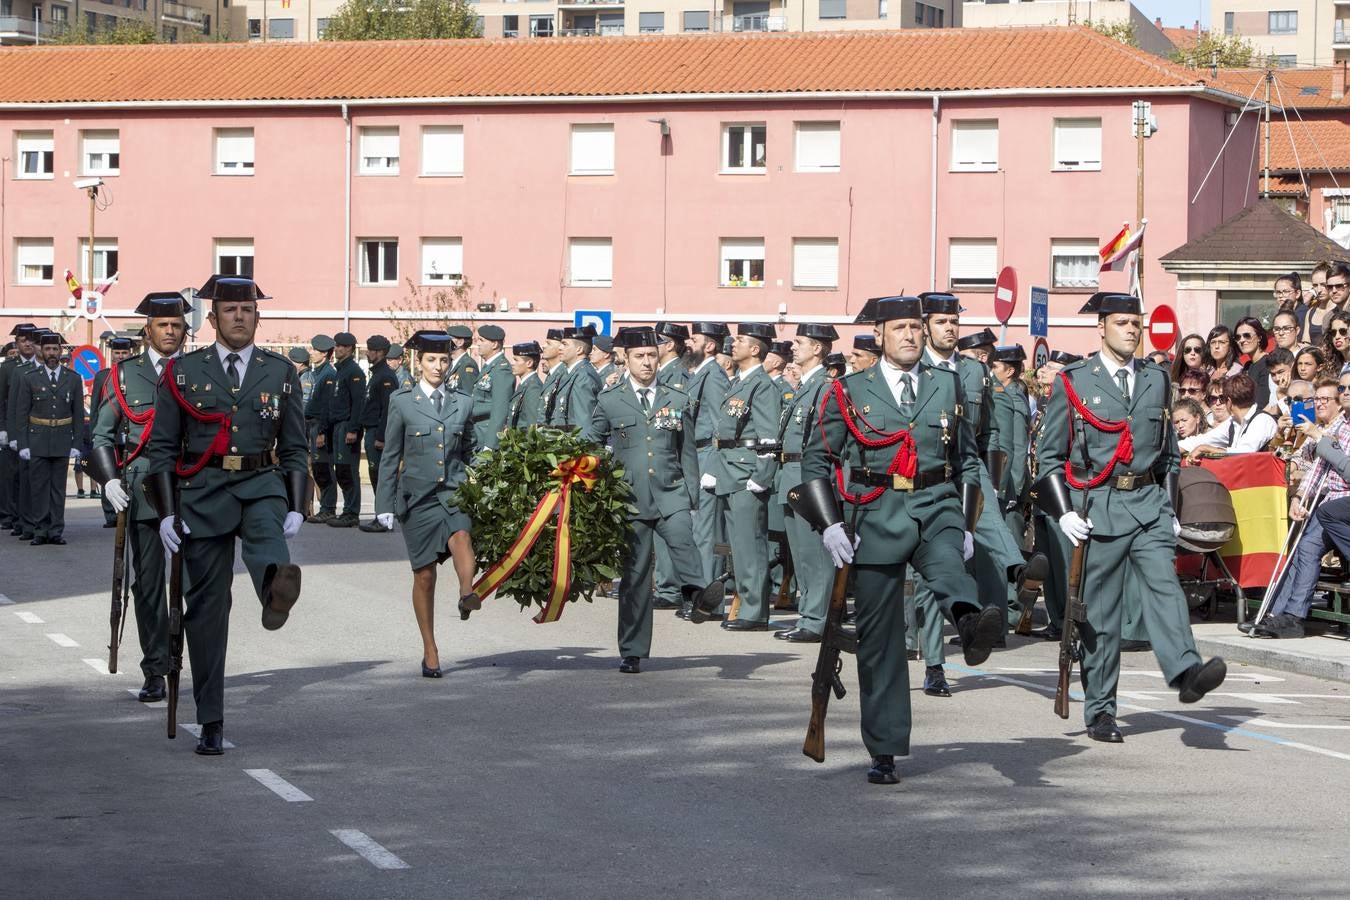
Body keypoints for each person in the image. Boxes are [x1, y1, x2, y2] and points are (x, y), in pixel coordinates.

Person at [799, 296, 1002, 783]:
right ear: (881, 336)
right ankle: (885, 749)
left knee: (950, 568)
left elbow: (969, 459)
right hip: (874, 512)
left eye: (916, 326)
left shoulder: (948, 384)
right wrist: (829, 523)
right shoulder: (848, 390)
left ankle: (971, 625)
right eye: (901, 328)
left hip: (936, 504)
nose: (911, 335)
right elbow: (816, 461)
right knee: (881, 640)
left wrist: (969, 523)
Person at [1037, 292, 1227, 743]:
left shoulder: (1156, 378)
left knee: (1164, 586)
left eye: (1135, 323)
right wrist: (1063, 512)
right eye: (1122, 322)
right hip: (1097, 508)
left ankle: (1185, 670)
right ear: (1101, 328)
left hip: (1147, 505)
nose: (1131, 330)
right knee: (1101, 615)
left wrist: (1170, 507)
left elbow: (1168, 454)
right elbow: (1048, 458)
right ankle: (1101, 710)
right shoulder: (1074, 381)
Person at [143, 275, 308, 756]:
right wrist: (167, 514)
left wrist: (296, 504)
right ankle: (211, 717)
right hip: (203, 490)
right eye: (231, 311)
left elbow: (295, 446)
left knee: (268, 544)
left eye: (249, 310)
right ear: (212, 320)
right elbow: (162, 450)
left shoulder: (280, 372)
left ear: (258, 318)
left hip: (260, 484)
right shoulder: (183, 372)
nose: (241, 316)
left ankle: (275, 590)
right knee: (208, 612)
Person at [584, 326, 721, 673]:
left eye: (651, 356)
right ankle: (632, 650)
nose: (647, 363)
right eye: (640, 357)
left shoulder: (676, 396)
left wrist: (691, 494)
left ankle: (696, 595)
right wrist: (595, 473)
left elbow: (686, 449)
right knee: (635, 576)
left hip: (671, 490)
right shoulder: (610, 398)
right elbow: (591, 439)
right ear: (625, 359)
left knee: (683, 540)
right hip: (629, 497)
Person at [87, 291, 190, 703]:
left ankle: (191, 660)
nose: (170, 332)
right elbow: (101, 435)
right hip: (143, 490)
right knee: (148, 584)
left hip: (193, 487)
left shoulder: (197, 371)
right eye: (163, 325)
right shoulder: (122, 377)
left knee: (197, 584)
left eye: (177, 326)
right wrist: (109, 480)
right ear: (148, 331)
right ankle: (156, 667)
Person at [374, 331, 480, 677]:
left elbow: (471, 452)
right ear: (418, 363)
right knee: (424, 576)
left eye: (444, 360)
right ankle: (430, 648)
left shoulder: (463, 401)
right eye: (431, 360)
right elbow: (391, 455)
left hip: (453, 490)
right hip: (416, 498)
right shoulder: (402, 402)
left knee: (462, 536)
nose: (438, 366)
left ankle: (467, 591)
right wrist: (383, 503)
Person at [1250, 377, 1348, 639]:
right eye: (1318, 399)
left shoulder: (1336, 429)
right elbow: (1316, 469)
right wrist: (1299, 497)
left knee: (1307, 546)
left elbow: (1344, 470)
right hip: (1326, 502)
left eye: (1327, 399)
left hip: (1342, 504)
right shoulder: (1331, 426)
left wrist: (1319, 436)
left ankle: (1292, 617)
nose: (1320, 404)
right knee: (1299, 548)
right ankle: (1276, 615)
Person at [705, 323, 782, 632]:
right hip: (730, 469)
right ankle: (746, 604)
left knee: (751, 544)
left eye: (739, 340)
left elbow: (768, 436)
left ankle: (754, 611)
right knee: (739, 544)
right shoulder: (738, 382)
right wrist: (713, 468)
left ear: (754, 349)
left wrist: (761, 475)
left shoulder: (762, 385)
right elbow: (722, 433)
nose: (732, 344)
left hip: (746, 471)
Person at [771, 323, 839, 643]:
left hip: (808, 478)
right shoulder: (804, 385)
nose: (793, 347)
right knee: (800, 554)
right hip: (791, 476)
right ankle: (807, 614)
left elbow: (823, 441)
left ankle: (818, 619)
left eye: (799, 342)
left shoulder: (824, 387)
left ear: (817, 348)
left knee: (814, 553)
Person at [14, 330, 84, 545]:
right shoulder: (30, 378)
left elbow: (78, 414)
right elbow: (22, 412)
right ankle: (40, 530)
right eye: (47, 349)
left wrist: (76, 443)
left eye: (55, 349)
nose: (51, 353)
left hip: (62, 439)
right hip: (37, 440)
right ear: (41, 352)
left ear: (61, 351)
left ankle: (56, 531)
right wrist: (23, 443)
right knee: (39, 489)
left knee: (58, 489)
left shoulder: (72, 378)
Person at [684, 322, 732, 604]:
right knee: (697, 531)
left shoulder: (713, 376)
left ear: (710, 346)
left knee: (706, 534)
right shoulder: (700, 374)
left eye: (695, 339)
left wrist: (713, 469)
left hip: (706, 458)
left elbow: (719, 426)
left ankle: (708, 601)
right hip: (696, 456)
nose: (689, 343)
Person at [91, 336, 136, 526]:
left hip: (131, 431)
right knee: (108, 472)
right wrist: (94, 433)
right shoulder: (103, 375)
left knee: (128, 473)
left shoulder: (135, 372)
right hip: (111, 432)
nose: (120, 356)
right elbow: (95, 407)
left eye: (124, 352)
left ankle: (128, 510)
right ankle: (110, 514)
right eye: (117, 352)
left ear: (130, 353)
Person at [1, 324, 41, 538]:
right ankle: (14, 516)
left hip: (37, 430)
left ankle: (29, 518)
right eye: (23, 340)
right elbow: (2, 401)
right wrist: (3, 429)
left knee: (31, 477)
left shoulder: (40, 365)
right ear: (16, 343)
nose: (27, 343)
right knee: (14, 476)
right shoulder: (8, 368)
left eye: (30, 340)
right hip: (13, 427)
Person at [359, 335, 401, 532]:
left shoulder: (385, 376)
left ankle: (383, 516)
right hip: (372, 430)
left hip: (378, 432)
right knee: (375, 475)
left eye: (372, 350)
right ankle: (381, 514)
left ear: (381, 353)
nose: (368, 353)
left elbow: (388, 409)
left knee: (380, 476)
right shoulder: (377, 373)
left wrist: (381, 437)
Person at [1183, 373, 1278, 456]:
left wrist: (1206, 449)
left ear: (1228, 401)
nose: (1218, 403)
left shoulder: (1262, 420)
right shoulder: (1233, 422)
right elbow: (1203, 439)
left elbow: (1244, 452)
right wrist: (1173, 448)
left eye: (1221, 399)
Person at [327, 332, 366, 528]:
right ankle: (347, 510)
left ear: (350, 348)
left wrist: (353, 429)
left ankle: (351, 512)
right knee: (341, 469)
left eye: (342, 346)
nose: (337, 349)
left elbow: (358, 404)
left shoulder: (354, 371)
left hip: (346, 426)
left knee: (348, 470)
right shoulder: (341, 370)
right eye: (336, 345)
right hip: (337, 425)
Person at [304, 335, 338, 524]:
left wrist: (322, 433)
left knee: (324, 468)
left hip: (320, 426)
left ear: (324, 354)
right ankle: (325, 507)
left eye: (315, 350)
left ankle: (328, 508)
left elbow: (327, 406)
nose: (312, 353)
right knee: (318, 468)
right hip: (313, 425)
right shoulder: (318, 373)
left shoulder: (328, 375)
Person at [549, 326, 602, 431]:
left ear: (579, 349)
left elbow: (584, 423)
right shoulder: (572, 373)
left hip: (575, 444)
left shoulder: (584, 376)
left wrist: (582, 447)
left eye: (565, 344)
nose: (560, 348)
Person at [470, 325, 513, 450]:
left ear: (494, 344)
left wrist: (490, 444)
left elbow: (500, 409)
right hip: (478, 431)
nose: (478, 343)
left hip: (486, 433)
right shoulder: (490, 367)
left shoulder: (501, 369)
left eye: (482, 340)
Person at [506, 341, 544, 429]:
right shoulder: (525, 384)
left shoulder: (533, 387)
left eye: (516, 360)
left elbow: (532, 426)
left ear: (529, 363)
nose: (512, 363)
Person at [537, 329, 568, 424]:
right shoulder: (552, 374)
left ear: (560, 348)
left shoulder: (564, 374)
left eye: (549, 343)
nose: (544, 346)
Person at [445, 325, 480, 394]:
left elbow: (468, 395)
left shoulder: (468, 365)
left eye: (448, 339)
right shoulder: (451, 363)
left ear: (460, 342)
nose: (445, 342)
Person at [654, 323, 690, 391]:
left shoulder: (678, 374)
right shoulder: (664, 371)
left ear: (669, 345)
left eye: (656, 341)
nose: (652, 346)